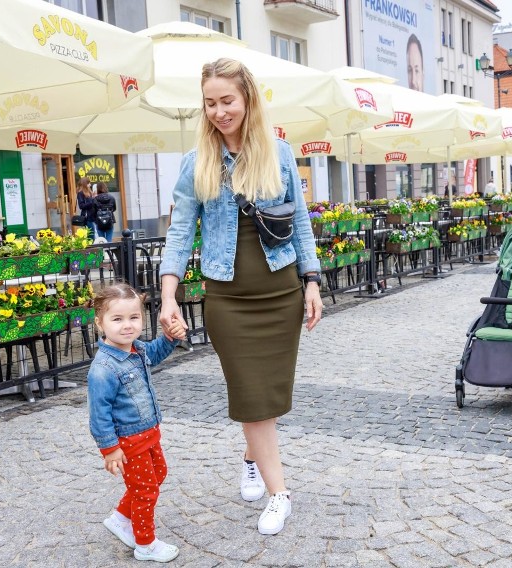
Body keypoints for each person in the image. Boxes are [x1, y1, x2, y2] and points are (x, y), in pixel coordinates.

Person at [158, 58, 323, 536]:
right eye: (209, 103)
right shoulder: (196, 164)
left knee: (268, 397)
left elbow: (301, 226)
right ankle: (280, 493)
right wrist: (168, 297)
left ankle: (252, 459)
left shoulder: (280, 153)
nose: (218, 111)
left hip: (280, 291)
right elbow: (180, 234)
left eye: (227, 101)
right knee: (251, 396)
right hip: (228, 300)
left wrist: (312, 282)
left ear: (248, 98)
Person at [88, 282, 187, 563]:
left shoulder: (136, 348)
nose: (127, 325)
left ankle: (120, 518)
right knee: (145, 490)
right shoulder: (103, 369)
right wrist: (109, 449)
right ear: (100, 323)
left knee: (158, 474)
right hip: (129, 441)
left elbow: (154, 353)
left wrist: (170, 337)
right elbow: (99, 414)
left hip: (148, 433)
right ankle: (145, 543)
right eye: (117, 319)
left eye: (134, 318)